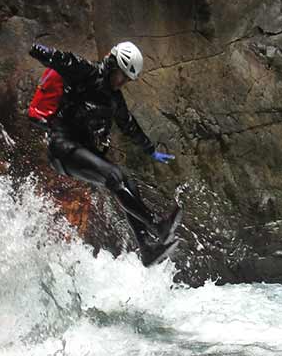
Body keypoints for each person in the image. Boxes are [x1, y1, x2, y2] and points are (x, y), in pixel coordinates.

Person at [28, 40, 182, 266]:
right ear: (111, 64)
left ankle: (147, 248)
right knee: (113, 177)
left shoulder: (115, 99)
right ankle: (156, 224)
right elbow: (63, 60)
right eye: (121, 76)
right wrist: (45, 54)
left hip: (83, 150)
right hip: (62, 146)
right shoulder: (86, 73)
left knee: (128, 182)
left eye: (126, 80)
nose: (121, 83)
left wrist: (150, 150)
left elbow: (128, 125)